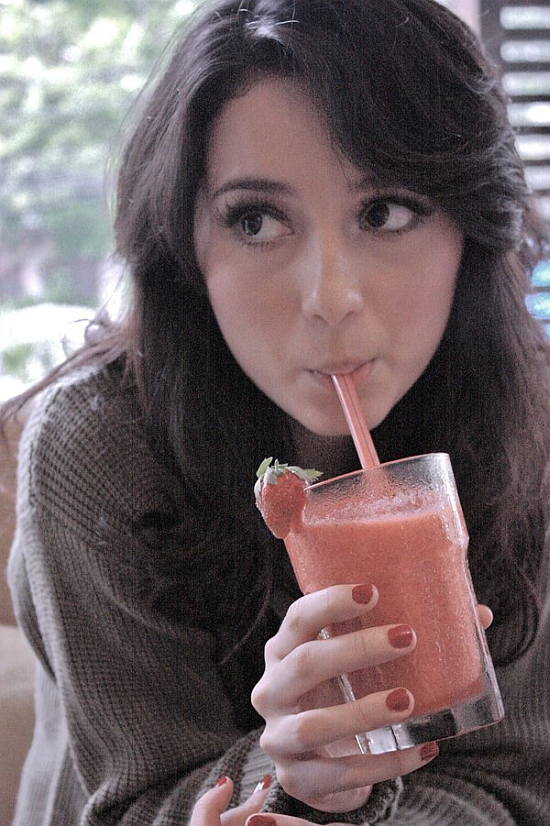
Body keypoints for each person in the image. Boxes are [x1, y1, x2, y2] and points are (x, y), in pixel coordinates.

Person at [3, 0, 549, 822]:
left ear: (470, 227)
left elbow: (521, 779)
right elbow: (133, 799)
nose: (329, 297)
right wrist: (291, 778)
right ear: (185, 246)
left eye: (385, 211)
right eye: (256, 220)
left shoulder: (530, 425)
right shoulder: (96, 448)